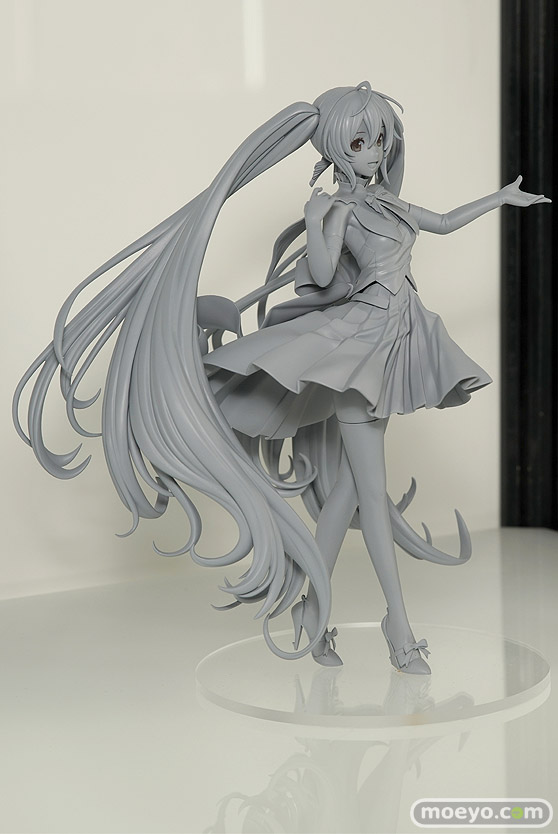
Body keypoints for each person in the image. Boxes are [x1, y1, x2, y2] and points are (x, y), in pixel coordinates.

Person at [13, 82, 549, 674]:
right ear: (337, 148)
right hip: (361, 346)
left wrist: (501, 199)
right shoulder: (340, 211)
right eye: (360, 143)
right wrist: (316, 221)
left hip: (399, 337)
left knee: (348, 492)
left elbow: (443, 222)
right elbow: (319, 273)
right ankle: (398, 628)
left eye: (380, 140)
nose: (374, 152)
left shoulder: (391, 205)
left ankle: (309, 611)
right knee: (371, 495)